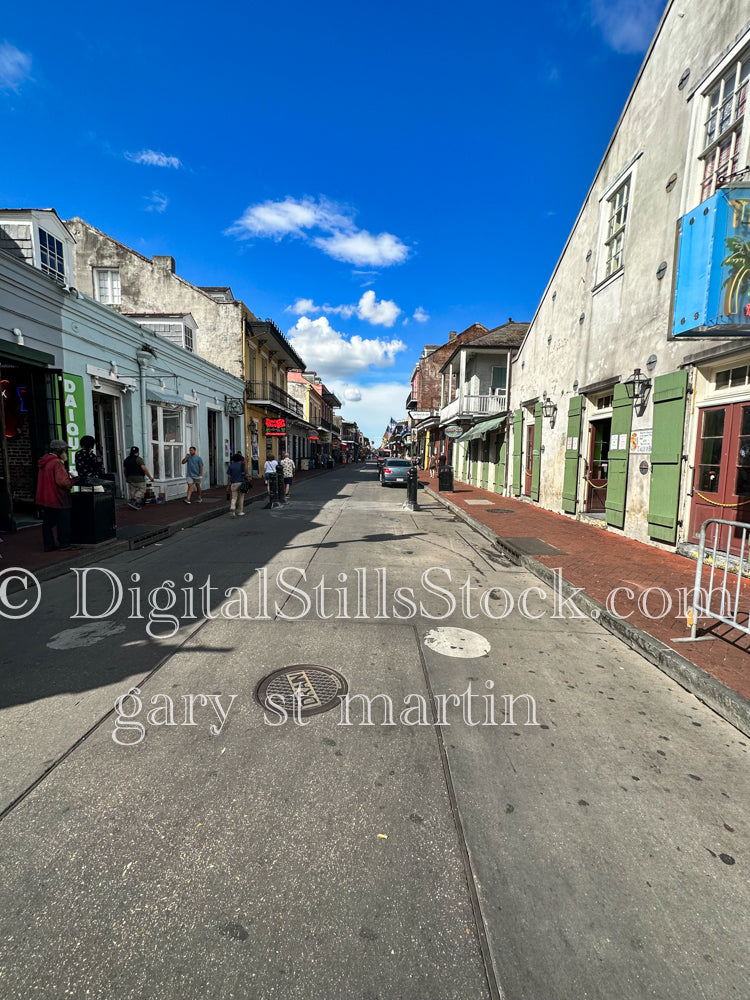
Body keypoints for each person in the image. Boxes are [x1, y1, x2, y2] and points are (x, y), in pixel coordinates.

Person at [36, 440, 77, 551]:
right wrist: (73, 480)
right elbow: (63, 482)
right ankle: (64, 543)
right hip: (58, 498)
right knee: (63, 522)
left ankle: (49, 545)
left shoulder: (45, 461)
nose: (66, 452)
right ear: (59, 450)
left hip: (46, 497)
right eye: (65, 450)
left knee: (48, 523)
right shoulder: (57, 463)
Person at [124, 446, 154, 510]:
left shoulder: (126, 460)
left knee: (133, 491)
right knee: (142, 489)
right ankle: (134, 500)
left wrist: (126, 477)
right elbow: (144, 469)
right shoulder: (138, 459)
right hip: (139, 478)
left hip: (130, 478)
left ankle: (134, 504)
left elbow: (124, 470)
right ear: (137, 452)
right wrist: (150, 477)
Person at [227, 451, 249, 517]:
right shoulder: (242, 465)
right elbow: (246, 474)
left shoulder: (231, 466)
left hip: (233, 483)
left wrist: (228, 485)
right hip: (241, 483)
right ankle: (240, 511)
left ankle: (232, 507)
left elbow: (229, 476)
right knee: (241, 497)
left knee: (234, 497)